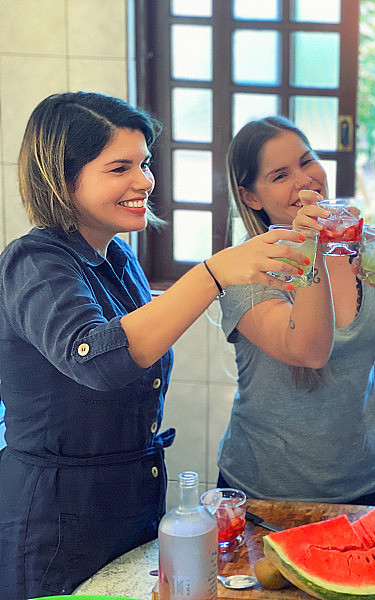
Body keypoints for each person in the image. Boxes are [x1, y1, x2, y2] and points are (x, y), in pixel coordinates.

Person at [0, 92, 313, 599]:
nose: (145, 181)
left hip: (130, 505)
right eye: (120, 167)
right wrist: (212, 274)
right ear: (62, 178)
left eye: (144, 163)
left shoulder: (121, 260)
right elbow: (97, 360)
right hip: (54, 524)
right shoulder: (32, 263)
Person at [215, 116, 375, 505]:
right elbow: (308, 350)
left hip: (367, 483)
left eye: (306, 161)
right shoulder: (245, 270)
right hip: (265, 493)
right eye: (280, 175)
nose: (305, 179)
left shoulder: (364, 244)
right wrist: (312, 241)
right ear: (251, 197)